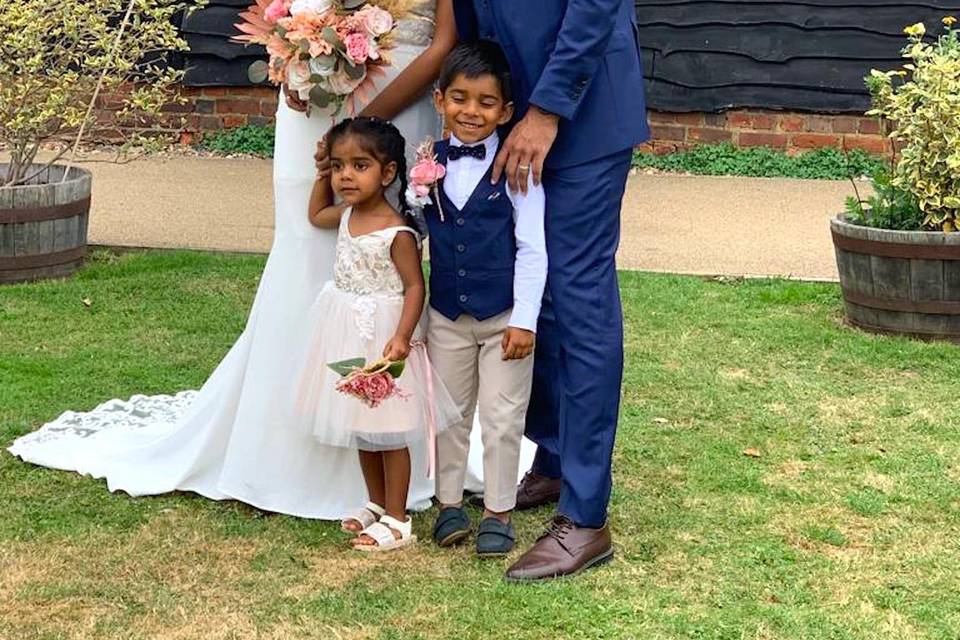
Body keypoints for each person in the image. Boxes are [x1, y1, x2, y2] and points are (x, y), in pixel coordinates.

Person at [8, 1, 458, 520]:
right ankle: (280, 448)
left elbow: (442, 42)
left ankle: (397, 443)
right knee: (304, 256)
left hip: (398, 104)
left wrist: (361, 121)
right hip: (316, 104)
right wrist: (292, 58)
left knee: (384, 261)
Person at [450, 0, 650, 580]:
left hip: (582, 117)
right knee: (542, 298)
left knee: (579, 295)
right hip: (509, 114)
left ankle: (585, 518)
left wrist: (546, 109)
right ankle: (558, 461)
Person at [296, 117, 460, 551]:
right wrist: (319, 174)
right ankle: (374, 502)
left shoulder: (397, 231)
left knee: (389, 429)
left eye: (359, 165)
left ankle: (398, 517)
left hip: (384, 335)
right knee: (360, 423)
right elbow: (314, 215)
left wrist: (403, 335)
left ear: (387, 173)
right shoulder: (346, 214)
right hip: (346, 329)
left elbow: (413, 286)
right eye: (338, 166)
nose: (345, 176)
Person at [423, 42, 547, 558]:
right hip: (445, 314)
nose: (471, 112)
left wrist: (524, 319)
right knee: (448, 413)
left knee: (501, 416)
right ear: (439, 101)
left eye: (486, 102)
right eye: (460, 98)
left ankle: (498, 510)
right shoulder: (425, 164)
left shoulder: (516, 169)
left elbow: (532, 248)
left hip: (503, 322)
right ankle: (449, 502)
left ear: (506, 111)